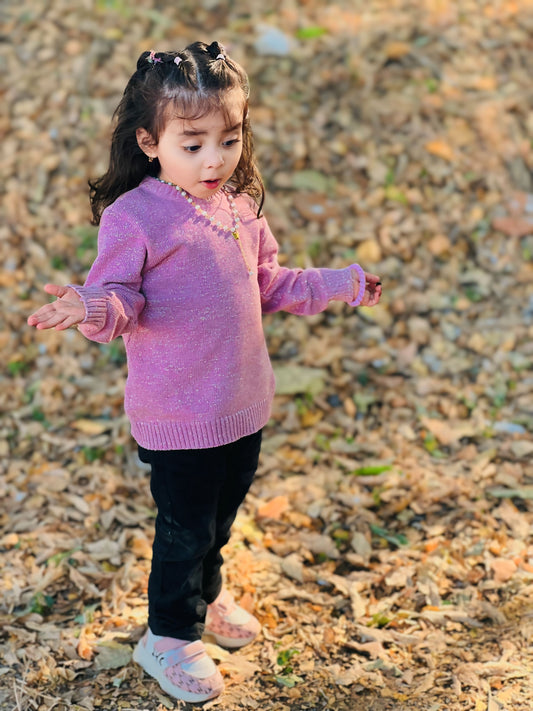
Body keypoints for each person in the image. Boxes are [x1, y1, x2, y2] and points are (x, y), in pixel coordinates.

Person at [27, 40, 382, 703]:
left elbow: (268, 283)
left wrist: (339, 283)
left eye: (229, 139)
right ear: (150, 142)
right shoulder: (135, 217)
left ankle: (204, 597)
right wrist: (90, 305)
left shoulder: (240, 205)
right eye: (192, 144)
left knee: (219, 521)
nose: (214, 158)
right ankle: (167, 634)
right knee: (184, 528)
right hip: (178, 413)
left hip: (241, 402)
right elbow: (122, 301)